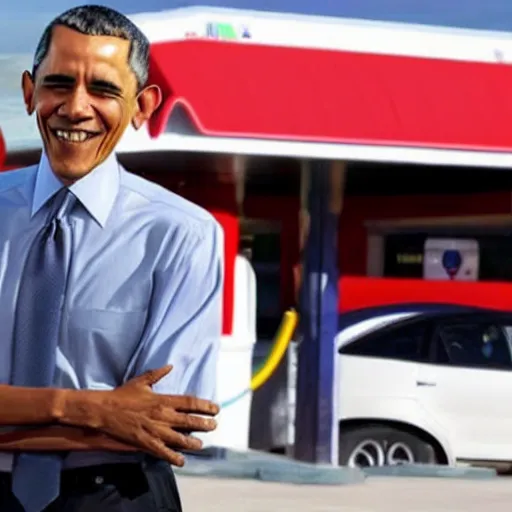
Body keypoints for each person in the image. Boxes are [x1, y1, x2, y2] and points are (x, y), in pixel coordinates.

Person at [0, 4, 224, 512]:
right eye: (58, 83)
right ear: (30, 92)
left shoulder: (181, 234)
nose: (75, 108)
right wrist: (94, 409)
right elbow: (123, 420)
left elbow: (164, 427)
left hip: (117, 496)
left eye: (103, 90)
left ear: (143, 106)